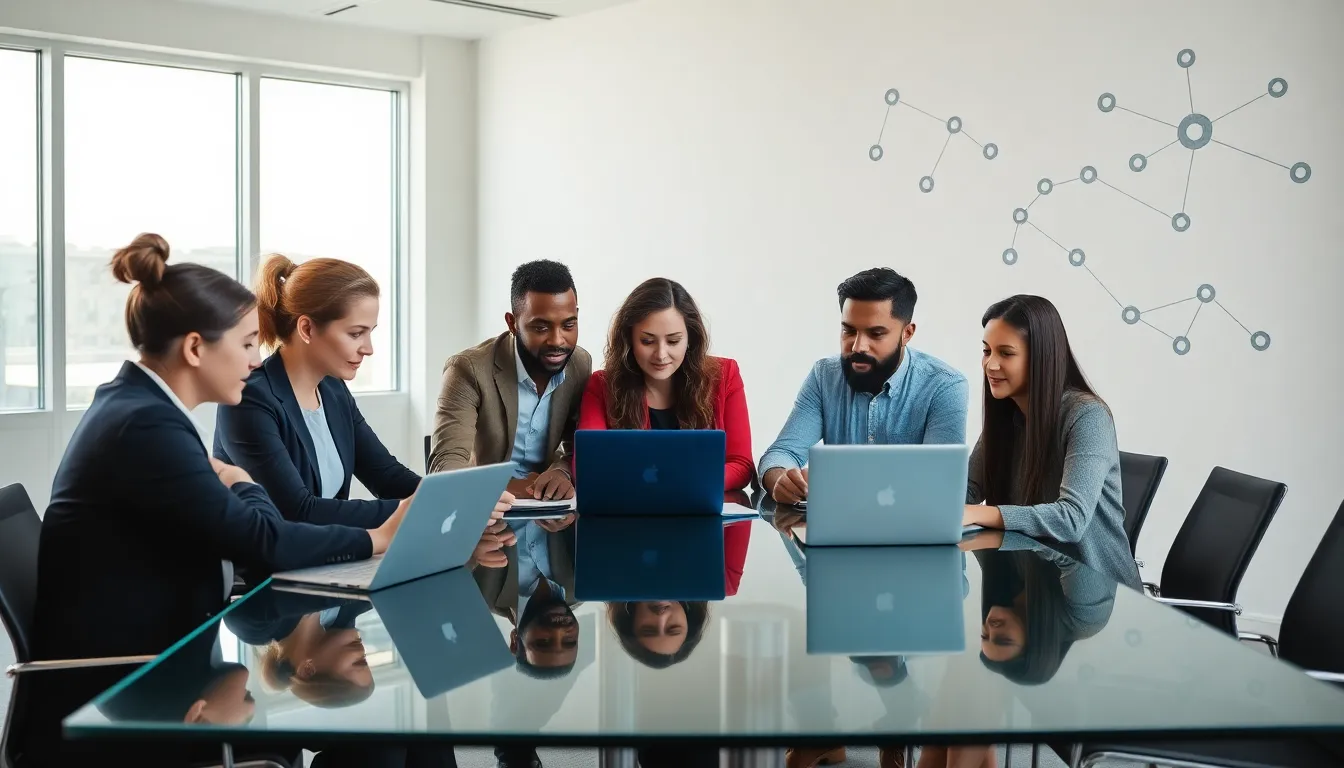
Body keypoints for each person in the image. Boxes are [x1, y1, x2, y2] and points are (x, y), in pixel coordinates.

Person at [25, 234, 410, 766]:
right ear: (195, 349)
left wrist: (239, 483)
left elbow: (251, 528)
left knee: (396, 740)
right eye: (247, 344)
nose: (255, 360)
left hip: (167, 652)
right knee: (383, 740)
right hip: (134, 681)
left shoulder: (141, 410)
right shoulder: (146, 425)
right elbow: (262, 539)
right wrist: (376, 537)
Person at [215, 254, 442, 530]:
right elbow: (297, 511)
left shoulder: (334, 390)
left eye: (370, 332)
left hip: (328, 552)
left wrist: (454, 498)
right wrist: (423, 509)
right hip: (264, 557)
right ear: (307, 328)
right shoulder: (249, 399)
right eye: (356, 334)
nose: (368, 348)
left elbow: (386, 476)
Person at [962, 295, 1140, 588]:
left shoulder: (1087, 415)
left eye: (1006, 353)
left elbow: (1071, 519)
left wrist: (978, 513)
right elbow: (969, 489)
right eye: (986, 351)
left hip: (1100, 594)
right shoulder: (1007, 415)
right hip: (1036, 582)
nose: (990, 365)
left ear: (1041, 357)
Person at [758, 268, 969, 505]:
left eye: (876, 333)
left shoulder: (944, 386)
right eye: (848, 330)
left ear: (907, 333)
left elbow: (939, 483)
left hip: (911, 524)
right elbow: (781, 453)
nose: (858, 347)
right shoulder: (824, 376)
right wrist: (780, 479)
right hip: (838, 522)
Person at [430, 259, 591, 506]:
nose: (558, 340)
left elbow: (577, 448)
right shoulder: (467, 369)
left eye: (568, 325)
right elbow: (445, 467)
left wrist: (561, 472)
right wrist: (512, 487)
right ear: (512, 323)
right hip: (483, 510)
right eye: (541, 328)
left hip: (548, 511)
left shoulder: (579, 364)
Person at [577, 277, 754, 491]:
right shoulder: (602, 385)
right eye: (647, 341)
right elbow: (586, 466)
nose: (661, 354)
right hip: (631, 511)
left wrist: (684, 482)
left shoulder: (725, 375)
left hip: (698, 507)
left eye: (673, 341)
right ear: (629, 339)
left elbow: (741, 464)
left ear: (690, 339)